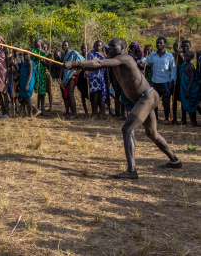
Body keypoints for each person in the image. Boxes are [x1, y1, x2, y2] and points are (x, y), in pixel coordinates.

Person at [64, 38, 182, 179]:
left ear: (123, 48)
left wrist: (75, 63)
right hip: (145, 97)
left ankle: (131, 171)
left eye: (114, 47)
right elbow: (97, 65)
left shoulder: (125, 58)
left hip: (147, 97)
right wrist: (78, 67)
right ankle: (175, 161)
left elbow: (99, 63)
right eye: (110, 47)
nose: (110, 49)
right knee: (152, 133)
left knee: (127, 129)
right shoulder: (114, 58)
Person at [141, 37, 176, 123]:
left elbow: (173, 70)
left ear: (164, 44)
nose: (159, 45)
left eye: (161, 43)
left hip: (165, 82)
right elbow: (145, 63)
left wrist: (172, 81)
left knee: (166, 101)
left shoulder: (169, 56)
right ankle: (155, 118)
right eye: (157, 43)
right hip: (155, 82)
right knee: (154, 101)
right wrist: (144, 57)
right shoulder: (152, 55)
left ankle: (166, 118)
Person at [61, 41, 85, 118]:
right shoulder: (64, 55)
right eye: (63, 45)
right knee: (67, 95)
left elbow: (83, 61)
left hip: (73, 75)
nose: (64, 46)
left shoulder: (74, 53)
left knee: (70, 93)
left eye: (66, 45)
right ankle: (69, 112)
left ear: (69, 46)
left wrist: (79, 71)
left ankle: (74, 114)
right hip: (66, 76)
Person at [87, 41, 108, 118]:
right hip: (93, 77)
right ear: (94, 46)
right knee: (95, 95)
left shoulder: (104, 55)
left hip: (101, 77)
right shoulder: (90, 54)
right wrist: (86, 71)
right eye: (96, 46)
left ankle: (103, 113)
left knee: (102, 95)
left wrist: (104, 52)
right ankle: (95, 112)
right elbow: (87, 65)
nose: (98, 47)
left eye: (100, 46)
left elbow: (106, 64)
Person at [180, 51, 200, 126]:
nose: (185, 57)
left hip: (190, 88)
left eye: (188, 56)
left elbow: (191, 79)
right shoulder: (184, 65)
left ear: (191, 58)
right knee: (188, 105)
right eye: (185, 55)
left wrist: (188, 91)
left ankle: (193, 122)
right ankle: (193, 121)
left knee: (190, 105)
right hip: (185, 87)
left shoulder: (191, 66)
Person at [19, 52, 40, 118]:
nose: (26, 56)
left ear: (30, 55)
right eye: (25, 54)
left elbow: (31, 73)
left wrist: (27, 84)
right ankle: (36, 110)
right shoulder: (26, 61)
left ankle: (30, 115)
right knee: (24, 98)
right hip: (24, 81)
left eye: (27, 54)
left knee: (28, 98)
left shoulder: (29, 62)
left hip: (28, 82)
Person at [30, 38, 47, 115]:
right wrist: (35, 57)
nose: (35, 44)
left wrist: (43, 60)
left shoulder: (44, 52)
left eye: (37, 42)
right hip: (34, 72)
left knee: (42, 92)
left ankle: (42, 109)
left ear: (41, 43)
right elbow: (30, 59)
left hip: (42, 73)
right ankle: (34, 108)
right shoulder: (33, 51)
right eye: (35, 42)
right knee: (33, 90)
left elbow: (47, 63)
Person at [9, 48, 23, 116]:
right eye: (15, 51)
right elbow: (8, 67)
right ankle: (16, 110)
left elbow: (23, 68)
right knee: (14, 96)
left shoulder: (21, 58)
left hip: (20, 78)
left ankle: (22, 109)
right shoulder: (12, 59)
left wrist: (17, 70)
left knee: (20, 95)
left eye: (17, 51)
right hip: (13, 79)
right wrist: (12, 71)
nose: (16, 53)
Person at [76, 43, 90, 116]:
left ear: (88, 49)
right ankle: (86, 111)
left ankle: (93, 110)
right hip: (80, 77)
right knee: (82, 94)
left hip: (88, 77)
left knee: (90, 94)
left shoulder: (90, 56)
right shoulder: (79, 56)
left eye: (85, 48)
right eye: (82, 48)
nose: (83, 49)